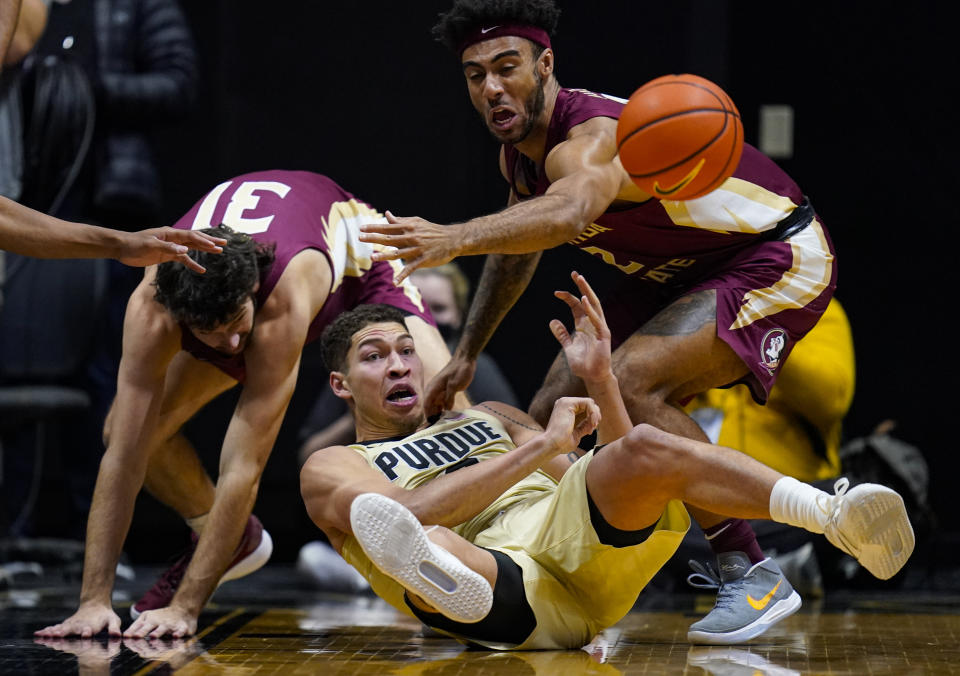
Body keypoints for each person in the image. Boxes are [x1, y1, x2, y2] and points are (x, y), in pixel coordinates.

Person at [358, 0, 836, 641]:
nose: (493, 87)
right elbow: (517, 250)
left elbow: (563, 218)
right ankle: (562, 573)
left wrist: (453, 237)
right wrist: (469, 349)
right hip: (685, 267)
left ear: (545, 64)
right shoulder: (520, 157)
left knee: (631, 382)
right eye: (476, 75)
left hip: (774, 252)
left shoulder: (590, 138)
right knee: (553, 406)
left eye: (508, 67)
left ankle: (749, 570)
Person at [299, 272, 913, 649]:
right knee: (425, 535)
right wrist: (543, 444)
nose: (400, 364)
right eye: (374, 357)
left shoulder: (490, 415)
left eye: (407, 350)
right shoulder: (332, 467)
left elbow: (609, 475)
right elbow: (408, 507)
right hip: (511, 579)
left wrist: (601, 381)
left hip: (577, 547)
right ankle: (451, 586)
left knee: (645, 446)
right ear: (341, 385)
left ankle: (834, 514)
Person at [34, 169, 466, 640]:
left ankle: (500, 558)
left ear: (251, 289)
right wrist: (92, 601)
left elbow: (245, 466)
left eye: (239, 323)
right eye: (214, 335)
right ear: (179, 317)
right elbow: (122, 458)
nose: (234, 342)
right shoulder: (151, 307)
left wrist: (186, 607)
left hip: (361, 261)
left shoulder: (282, 293)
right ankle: (229, 538)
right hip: (243, 285)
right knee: (127, 432)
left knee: (450, 408)